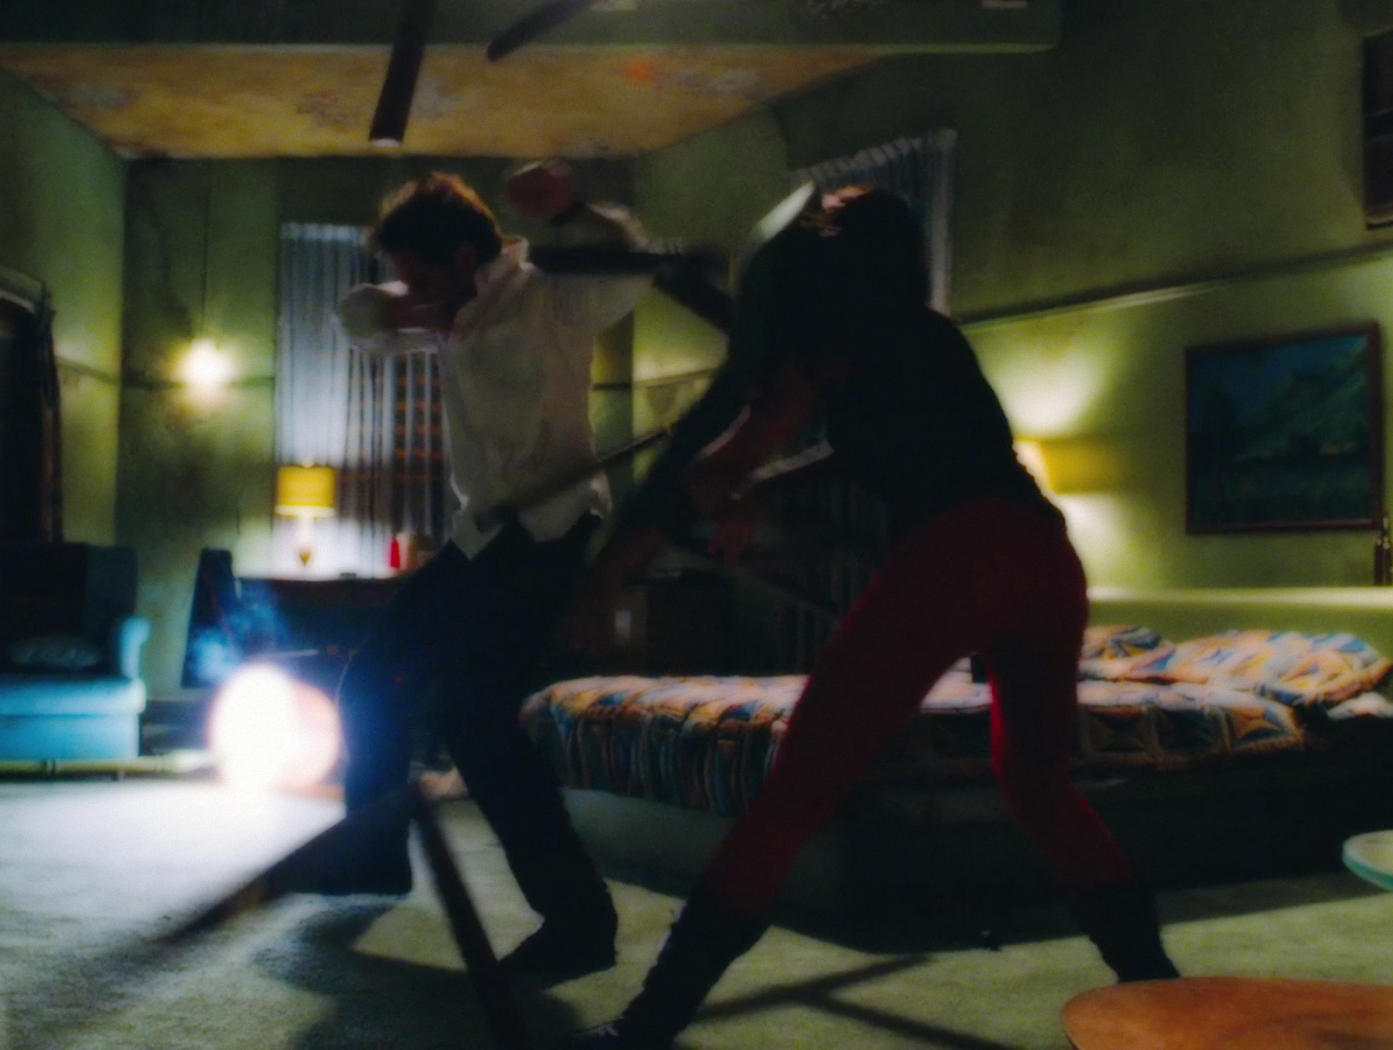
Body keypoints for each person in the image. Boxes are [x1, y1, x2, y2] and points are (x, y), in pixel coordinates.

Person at [564, 187, 1179, 1049]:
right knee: (1038, 786)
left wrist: (627, 555)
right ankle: (1158, 989)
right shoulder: (926, 337)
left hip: (959, 559)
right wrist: (763, 489)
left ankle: (649, 1024)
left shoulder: (828, 345)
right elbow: (863, 454)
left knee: (793, 797)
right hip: (1043, 557)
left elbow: (735, 452)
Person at [327, 162, 649, 979]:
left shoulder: (548, 297)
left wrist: (573, 208)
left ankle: (580, 926)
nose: (412, 293)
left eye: (420, 276)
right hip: (481, 537)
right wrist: (404, 305)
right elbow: (356, 317)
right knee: (370, 680)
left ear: (468, 257)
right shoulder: (448, 309)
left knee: (473, 721)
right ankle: (372, 854)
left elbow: (627, 268)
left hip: (551, 531)